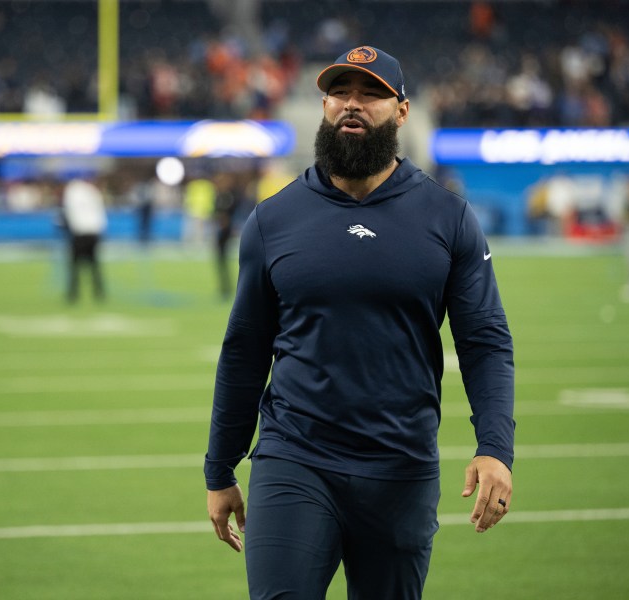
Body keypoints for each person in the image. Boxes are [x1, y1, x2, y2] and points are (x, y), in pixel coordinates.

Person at [204, 46, 515, 600]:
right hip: (294, 457)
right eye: (340, 92)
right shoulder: (273, 219)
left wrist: (494, 447)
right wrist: (220, 468)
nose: (352, 103)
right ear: (324, 105)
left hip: (400, 467)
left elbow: (484, 341)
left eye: (371, 93)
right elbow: (244, 349)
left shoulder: (448, 218)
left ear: (402, 111)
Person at [61, 177, 107, 303]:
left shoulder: (72, 191)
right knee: (94, 264)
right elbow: (100, 213)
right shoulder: (93, 191)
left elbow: (69, 212)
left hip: (79, 232)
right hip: (93, 232)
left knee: (75, 265)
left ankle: (73, 294)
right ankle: (99, 292)